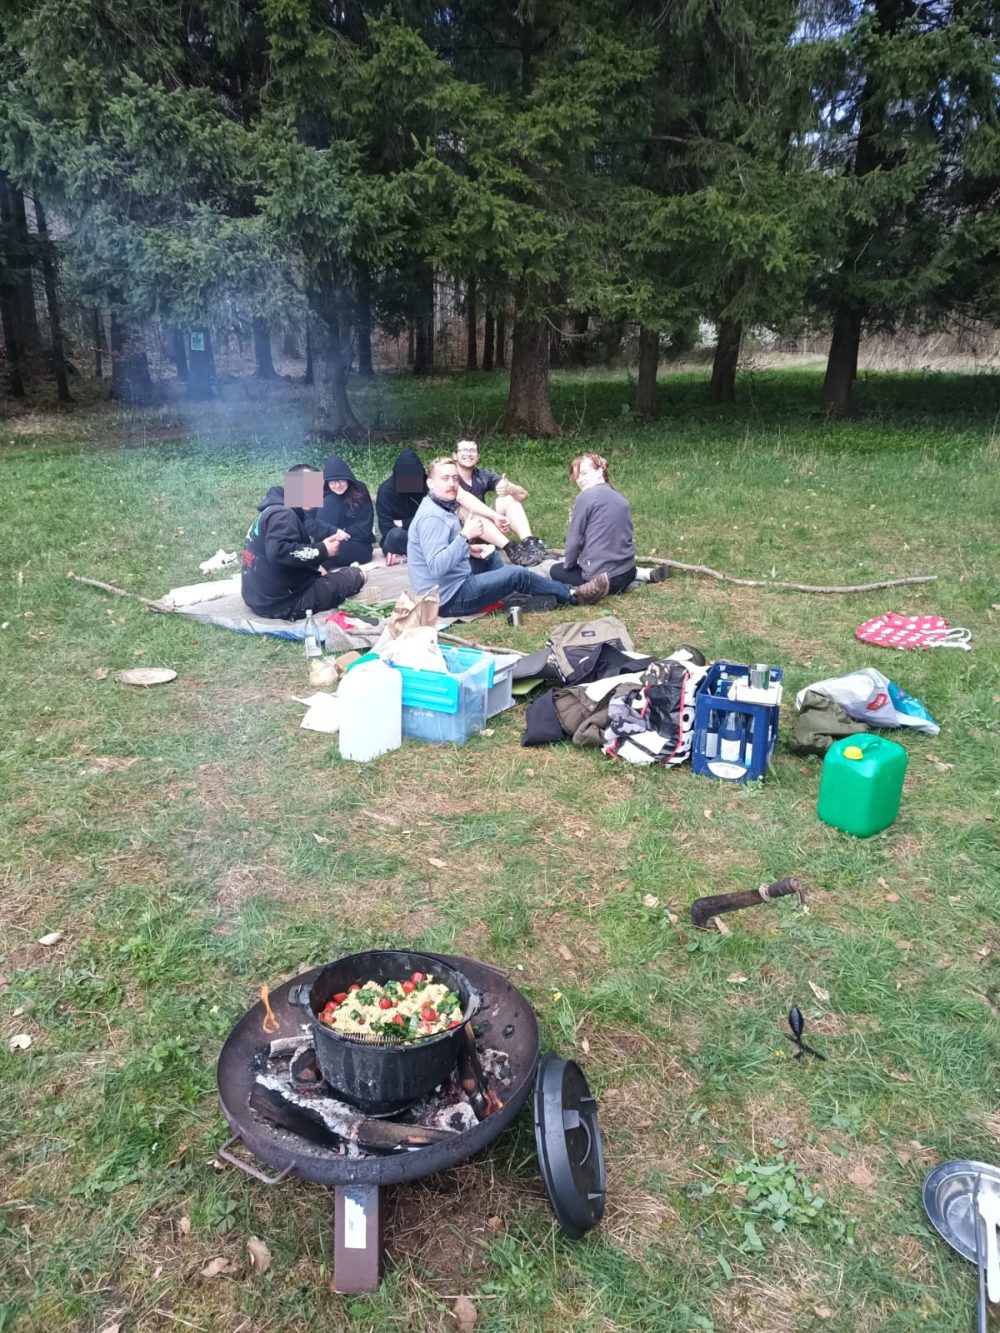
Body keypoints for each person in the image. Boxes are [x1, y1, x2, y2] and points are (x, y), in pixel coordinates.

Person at [407, 456, 609, 617]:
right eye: (445, 479)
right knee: (516, 574)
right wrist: (464, 537)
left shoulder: (440, 504)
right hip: (445, 600)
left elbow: (440, 551)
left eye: (454, 478)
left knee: (491, 556)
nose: (452, 484)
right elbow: (435, 566)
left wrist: (469, 549)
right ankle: (574, 595)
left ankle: (516, 596)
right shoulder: (432, 517)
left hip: (451, 582)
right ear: (430, 483)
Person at [242, 464, 365, 618]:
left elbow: (287, 550)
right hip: (283, 603)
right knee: (354, 575)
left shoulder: (273, 510)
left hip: (259, 598)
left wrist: (316, 560)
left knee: (326, 575)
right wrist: (323, 550)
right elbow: (279, 551)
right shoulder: (284, 515)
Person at [549, 454, 670, 595]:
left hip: (603, 580)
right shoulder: (619, 497)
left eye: (584, 473)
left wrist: (568, 565)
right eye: (577, 476)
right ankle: (640, 577)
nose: (580, 480)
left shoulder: (585, 497)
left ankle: (610, 587)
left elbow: (574, 541)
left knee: (555, 571)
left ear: (600, 471)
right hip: (628, 571)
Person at [453, 439, 547, 567]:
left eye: (472, 450)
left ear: (478, 456)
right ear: (454, 455)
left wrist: (510, 489)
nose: (468, 454)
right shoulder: (450, 476)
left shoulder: (482, 475)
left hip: (482, 529)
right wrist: (495, 516)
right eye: (463, 450)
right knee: (467, 509)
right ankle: (511, 549)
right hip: (459, 533)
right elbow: (463, 498)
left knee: (508, 499)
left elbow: (523, 494)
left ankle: (529, 543)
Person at [303, 454, 375, 565]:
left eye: (341, 480)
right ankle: (323, 558)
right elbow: (306, 521)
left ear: (348, 478)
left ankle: (324, 560)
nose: (337, 485)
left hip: (354, 542)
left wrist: (344, 533)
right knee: (330, 501)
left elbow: (365, 525)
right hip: (326, 539)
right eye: (332, 481)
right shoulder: (318, 489)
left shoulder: (359, 488)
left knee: (342, 550)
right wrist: (333, 531)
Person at [375, 449, 427, 566]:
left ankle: (409, 555)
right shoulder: (386, 491)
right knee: (395, 536)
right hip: (401, 537)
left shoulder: (424, 485)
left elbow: (431, 516)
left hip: (423, 533)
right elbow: (386, 528)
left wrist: (404, 522)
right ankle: (421, 553)